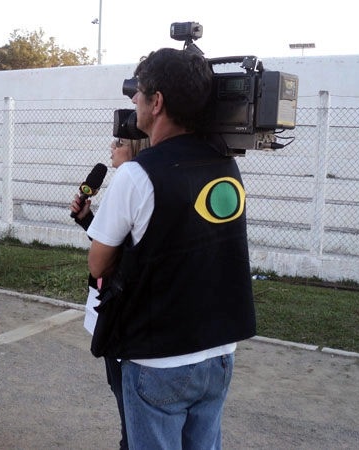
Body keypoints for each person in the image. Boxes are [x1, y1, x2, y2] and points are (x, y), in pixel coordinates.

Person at [86, 48, 257, 450]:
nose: (133, 101)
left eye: (139, 92)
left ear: (156, 102)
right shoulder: (226, 164)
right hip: (219, 354)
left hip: (158, 358)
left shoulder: (136, 174)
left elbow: (98, 261)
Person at [70, 136, 150, 450]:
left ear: (136, 146)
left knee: (130, 402)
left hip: (123, 314)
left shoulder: (132, 183)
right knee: (122, 395)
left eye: (119, 141)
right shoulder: (134, 183)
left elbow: (105, 261)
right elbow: (116, 246)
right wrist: (87, 219)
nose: (111, 146)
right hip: (114, 309)